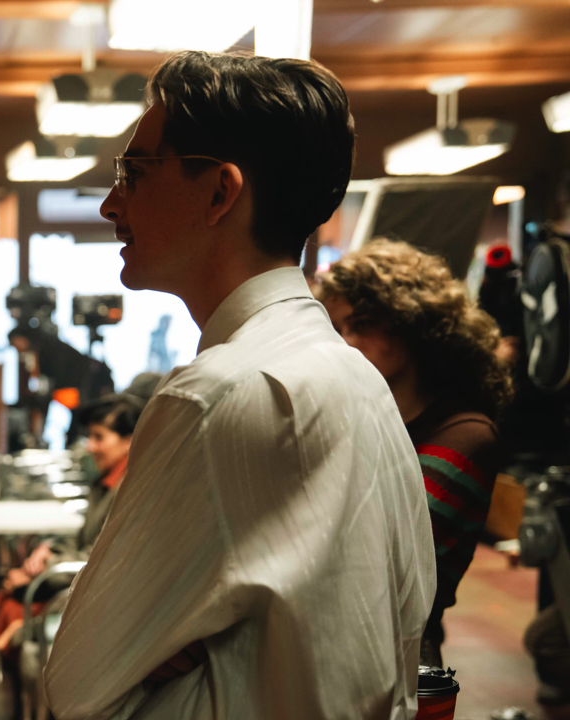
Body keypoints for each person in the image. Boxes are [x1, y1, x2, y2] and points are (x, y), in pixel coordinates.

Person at [43, 51, 435, 720]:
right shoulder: (358, 376)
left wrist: (179, 645)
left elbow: (75, 683)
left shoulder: (214, 394)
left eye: (134, 172)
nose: (112, 203)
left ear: (220, 192)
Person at [315, 239, 513, 667]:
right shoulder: (364, 415)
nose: (346, 343)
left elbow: (381, 557)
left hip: (399, 659)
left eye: (361, 324)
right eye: (337, 328)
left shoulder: (465, 434)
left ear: (408, 322)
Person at [0, 396, 145, 720]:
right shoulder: (106, 482)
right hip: (72, 579)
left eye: (99, 437)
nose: (90, 447)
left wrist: (36, 576)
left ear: (129, 440)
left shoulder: (127, 489)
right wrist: (48, 550)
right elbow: (84, 540)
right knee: (7, 600)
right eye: (89, 436)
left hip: (88, 594)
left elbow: (98, 559)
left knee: (10, 606)